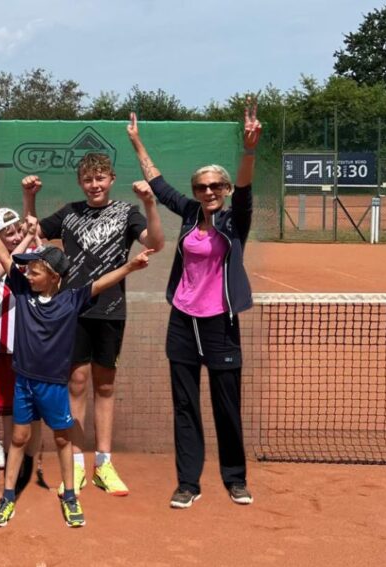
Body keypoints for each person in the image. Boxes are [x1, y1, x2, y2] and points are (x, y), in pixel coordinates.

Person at [126, 101, 261, 509]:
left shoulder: (236, 219)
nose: (207, 192)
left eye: (215, 186)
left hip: (221, 323)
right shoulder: (187, 213)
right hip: (183, 321)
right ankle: (188, 483)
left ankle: (235, 479)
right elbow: (160, 183)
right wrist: (136, 142)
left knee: (226, 405)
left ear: (225, 189)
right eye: (201, 187)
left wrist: (249, 150)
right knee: (185, 406)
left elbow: (246, 187)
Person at [0, 207, 153, 527]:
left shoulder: (70, 300)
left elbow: (100, 284)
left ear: (53, 276)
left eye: (34, 271)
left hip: (53, 386)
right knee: (18, 439)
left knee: (62, 440)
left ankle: (71, 497)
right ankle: (7, 497)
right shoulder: (22, 291)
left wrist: (130, 266)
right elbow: (6, 260)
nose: (27, 275)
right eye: (28, 271)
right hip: (24, 383)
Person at [22, 151, 164, 497]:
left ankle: (104, 463)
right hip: (73, 310)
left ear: (111, 179)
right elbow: (33, 230)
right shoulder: (70, 213)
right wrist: (30, 197)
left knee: (104, 386)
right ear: (80, 182)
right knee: (76, 382)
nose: (94, 185)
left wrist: (149, 204)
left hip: (112, 310)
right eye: (88, 179)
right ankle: (77, 463)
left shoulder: (127, 212)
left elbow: (157, 243)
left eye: (100, 178)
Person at [0, 210, 43, 477]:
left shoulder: (33, 257)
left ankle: (32, 459)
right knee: (5, 405)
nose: (16, 236)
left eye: (18, 230)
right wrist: (26, 237)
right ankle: (8, 455)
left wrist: (33, 235)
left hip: (30, 345)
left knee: (33, 404)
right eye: (8, 233)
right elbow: (2, 267)